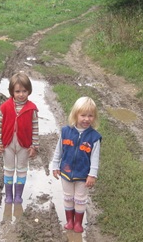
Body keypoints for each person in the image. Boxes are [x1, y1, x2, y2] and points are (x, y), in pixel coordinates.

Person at [50, 96, 102, 233]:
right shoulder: (66, 132)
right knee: (68, 197)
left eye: (90, 116)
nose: (86, 119)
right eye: (83, 115)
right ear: (75, 115)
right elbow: (58, 150)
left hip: (83, 175)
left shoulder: (94, 137)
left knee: (80, 199)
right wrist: (55, 165)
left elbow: (95, 158)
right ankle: (69, 221)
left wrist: (92, 174)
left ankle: (78, 223)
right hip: (66, 172)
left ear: (94, 117)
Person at [0, 72, 39, 204]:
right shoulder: (5, 107)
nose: (21, 94)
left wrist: (34, 146)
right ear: (12, 91)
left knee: (22, 169)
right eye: (17, 91)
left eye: (24, 91)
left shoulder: (32, 109)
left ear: (29, 91)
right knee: (8, 168)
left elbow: (35, 129)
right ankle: (9, 195)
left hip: (24, 145)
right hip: (7, 144)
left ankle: (18, 195)